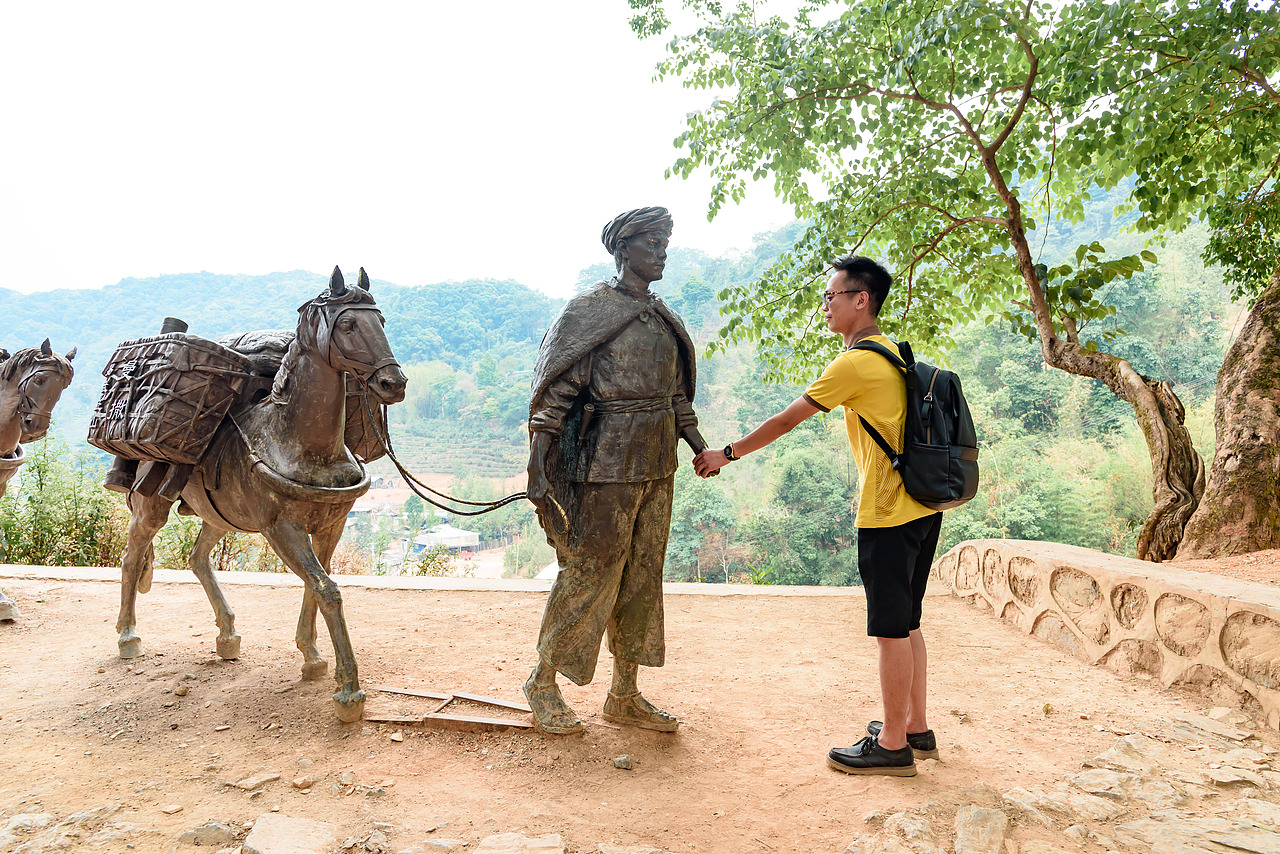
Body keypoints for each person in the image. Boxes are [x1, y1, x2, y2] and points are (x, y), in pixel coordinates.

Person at [693, 255, 942, 777]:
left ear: (861, 300)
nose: (825, 305)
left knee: (890, 631)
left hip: (887, 512)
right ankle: (915, 728)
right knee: (909, 621)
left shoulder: (853, 362)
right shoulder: (895, 353)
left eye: (833, 296)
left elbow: (786, 420)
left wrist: (726, 453)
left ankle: (893, 745)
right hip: (922, 506)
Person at [523, 206, 708, 735]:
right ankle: (542, 680)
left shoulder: (662, 317)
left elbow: (676, 396)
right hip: (605, 463)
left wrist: (698, 445)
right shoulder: (589, 312)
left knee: (643, 573)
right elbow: (554, 399)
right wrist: (538, 467)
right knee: (590, 568)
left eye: (665, 243)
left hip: (657, 464)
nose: (661, 252)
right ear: (623, 248)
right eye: (652, 242)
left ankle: (624, 694)